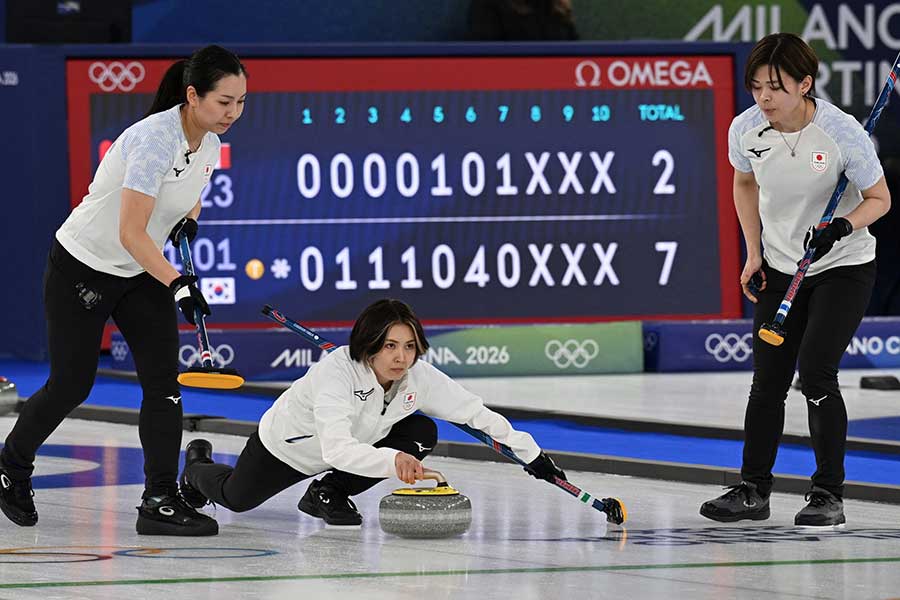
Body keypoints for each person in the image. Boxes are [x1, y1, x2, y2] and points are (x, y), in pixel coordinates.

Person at [0, 45, 248, 536]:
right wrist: (179, 284)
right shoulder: (153, 140)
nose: (233, 113)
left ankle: (159, 499)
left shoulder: (210, 142)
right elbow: (131, 232)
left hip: (138, 271)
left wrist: (187, 221)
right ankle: (11, 466)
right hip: (84, 267)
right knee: (71, 385)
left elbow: (187, 194)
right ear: (193, 96)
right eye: (224, 101)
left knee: (163, 385)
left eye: (241, 102)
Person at [699, 33, 891, 527]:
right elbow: (744, 182)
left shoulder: (841, 133)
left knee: (817, 372)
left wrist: (841, 226)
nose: (764, 97)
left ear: (805, 84)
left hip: (842, 266)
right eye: (756, 86)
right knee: (767, 381)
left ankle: (828, 494)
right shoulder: (746, 129)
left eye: (776, 87)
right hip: (783, 266)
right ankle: (752, 491)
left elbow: (880, 199)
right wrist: (754, 252)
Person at [179, 299, 566, 527]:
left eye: (409, 346)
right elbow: (335, 449)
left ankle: (328, 493)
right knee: (237, 498)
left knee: (421, 431)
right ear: (370, 343)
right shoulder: (336, 375)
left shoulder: (417, 376)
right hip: (289, 448)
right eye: (390, 346)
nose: (401, 357)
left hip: (358, 444)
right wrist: (393, 460)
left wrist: (532, 455)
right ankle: (196, 469)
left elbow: (473, 413)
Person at [466, 0, 578, 41]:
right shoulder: (486, 6)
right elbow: (484, 61)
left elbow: (574, 54)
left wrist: (565, 17)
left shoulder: (553, 6)